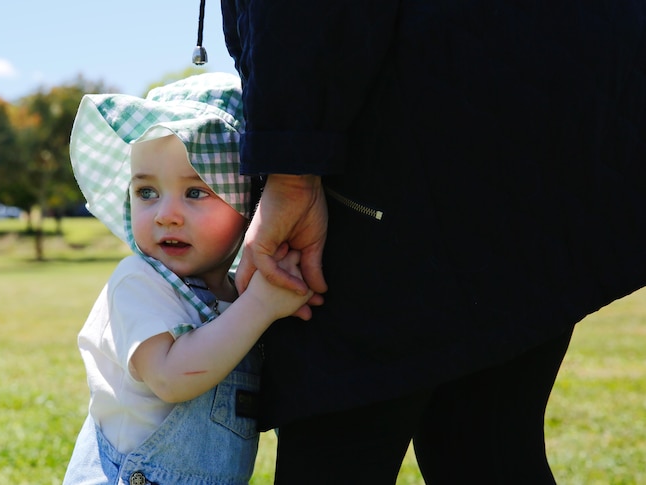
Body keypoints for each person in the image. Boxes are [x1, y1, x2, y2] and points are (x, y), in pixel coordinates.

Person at [218, 1, 646, 483]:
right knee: (485, 438)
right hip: (561, 102)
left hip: (406, 112)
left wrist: (292, 172)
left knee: (340, 441)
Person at [62, 72, 313, 485]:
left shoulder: (238, 292)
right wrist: (262, 306)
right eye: (146, 192)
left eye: (195, 193)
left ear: (250, 204)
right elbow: (170, 377)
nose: (165, 214)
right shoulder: (139, 282)